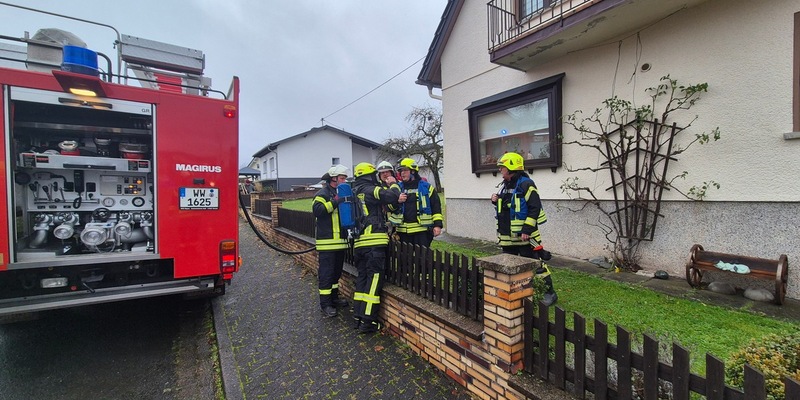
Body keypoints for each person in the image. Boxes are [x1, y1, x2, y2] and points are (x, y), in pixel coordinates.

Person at [490, 152, 558, 306]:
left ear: (511, 167)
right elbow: (510, 206)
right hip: (508, 237)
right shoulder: (505, 185)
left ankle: (549, 293)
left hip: (525, 237)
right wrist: (496, 201)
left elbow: (535, 208)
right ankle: (519, 292)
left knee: (536, 265)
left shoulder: (527, 184)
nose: (500, 170)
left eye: (502, 167)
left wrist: (527, 230)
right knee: (510, 265)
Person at [350, 162, 402, 334]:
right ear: (369, 175)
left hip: (359, 243)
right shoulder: (370, 190)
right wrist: (393, 183)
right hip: (374, 242)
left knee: (362, 280)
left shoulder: (353, 191)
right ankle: (368, 322)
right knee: (374, 282)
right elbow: (392, 196)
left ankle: (358, 317)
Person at [312, 164, 350, 318]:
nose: (344, 180)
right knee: (326, 274)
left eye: (345, 178)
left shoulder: (341, 192)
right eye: (342, 178)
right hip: (327, 243)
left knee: (336, 273)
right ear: (333, 179)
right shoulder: (322, 193)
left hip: (340, 242)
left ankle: (334, 298)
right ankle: (326, 304)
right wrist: (335, 202)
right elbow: (317, 211)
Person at [389, 158, 443, 248]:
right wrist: (397, 201)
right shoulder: (397, 188)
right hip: (402, 232)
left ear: (413, 171)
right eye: (400, 171)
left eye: (405, 170)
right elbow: (389, 206)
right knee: (404, 260)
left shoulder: (426, 187)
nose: (402, 173)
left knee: (422, 259)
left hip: (421, 232)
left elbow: (436, 207)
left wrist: (437, 225)